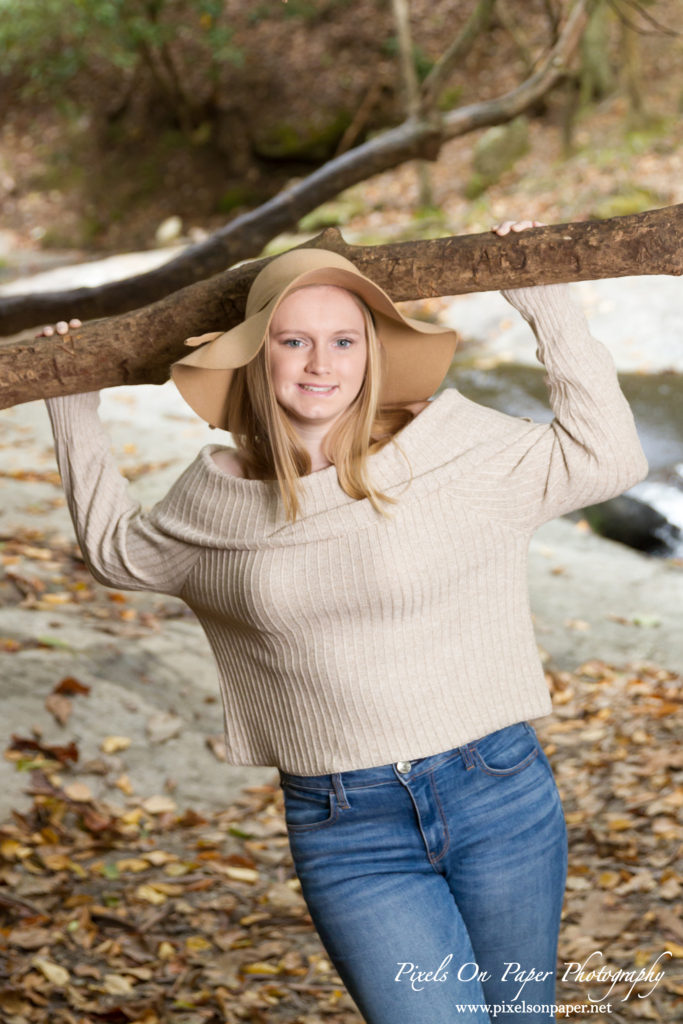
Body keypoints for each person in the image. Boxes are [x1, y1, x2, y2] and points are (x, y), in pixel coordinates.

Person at [41, 223, 648, 1024]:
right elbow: (118, 554)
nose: (320, 364)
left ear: (372, 354)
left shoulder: (446, 450)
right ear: (256, 353)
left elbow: (607, 458)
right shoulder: (214, 499)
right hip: (346, 826)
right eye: (293, 340)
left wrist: (544, 304)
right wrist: (69, 401)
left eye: (342, 340)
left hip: (495, 791)